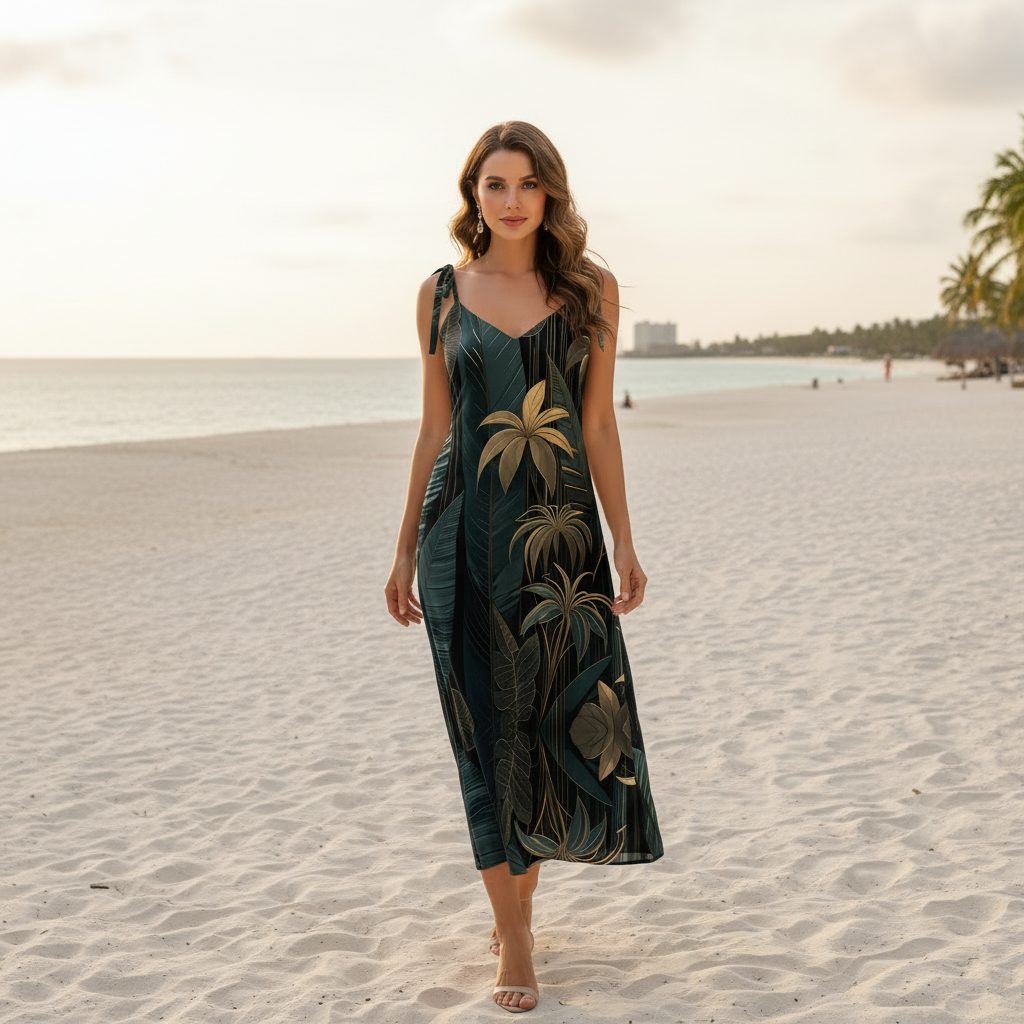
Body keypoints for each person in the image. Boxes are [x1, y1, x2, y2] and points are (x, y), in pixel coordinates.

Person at [385, 121, 663, 1014]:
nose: (510, 201)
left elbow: (599, 427)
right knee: (480, 728)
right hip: (459, 534)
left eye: (527, 185)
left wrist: (623, 538)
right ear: (474, 195)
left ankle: (521, 901)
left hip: (560, 542)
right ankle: (512, 932)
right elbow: (434, 429)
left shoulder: (591, 290)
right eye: (494, 185)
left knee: (549, 719)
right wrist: (399, 549)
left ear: (551, 194)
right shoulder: (438, 295)